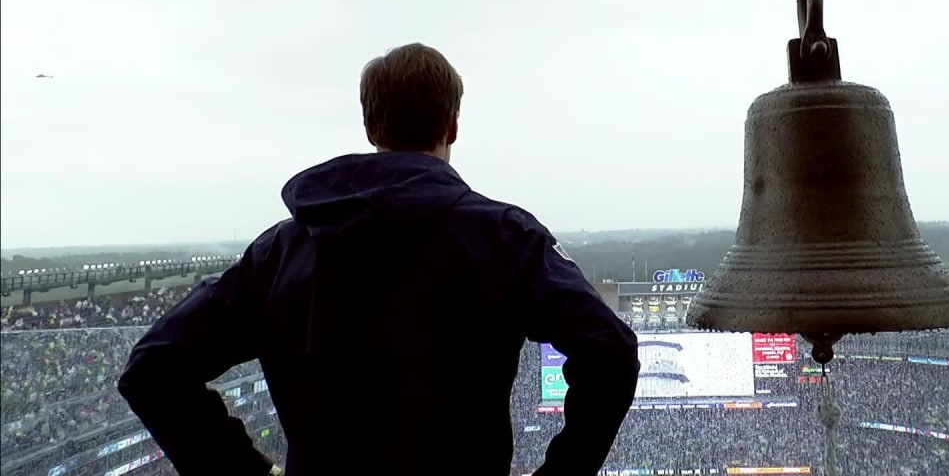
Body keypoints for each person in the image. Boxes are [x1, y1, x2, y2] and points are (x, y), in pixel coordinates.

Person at [118, 43, 640, 475]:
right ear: (452, 126)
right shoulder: (505, 238)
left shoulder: (282, 251)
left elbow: (153, 369)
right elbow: (610, 350)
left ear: (371, 129)